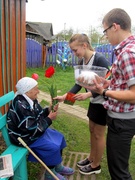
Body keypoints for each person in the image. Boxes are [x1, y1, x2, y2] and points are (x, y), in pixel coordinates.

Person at [78, 8, 135, 180]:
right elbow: (125, 82)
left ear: (115, 26)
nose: (105, 36)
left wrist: (103, 91)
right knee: (116, 168)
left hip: (122, 121)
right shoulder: (125, 50)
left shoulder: (127, 53)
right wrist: (108, 82)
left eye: (105, 31)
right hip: (119, 118)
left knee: (119, 173)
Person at [54, 34, 110, 175]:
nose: (74, 53)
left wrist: (88, 94)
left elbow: (106, 83)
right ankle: (91, 158)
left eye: (75, 50)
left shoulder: (99, 59)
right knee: (91, 130)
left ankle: (96, 165)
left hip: (102, 102)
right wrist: (65, 97)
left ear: (84, 46)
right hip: (93, 102)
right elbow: (79, 84)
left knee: (99, 134)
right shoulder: (83, 61)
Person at [7, 77, 74, 180]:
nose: (38, 91)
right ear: (28, 90)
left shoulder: (30, 99)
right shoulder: (21, 105)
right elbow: (31, 128)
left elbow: (37, 115)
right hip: (24, 138)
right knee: (53, 147)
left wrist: (48, 110)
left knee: (59, 137)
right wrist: (49, 119)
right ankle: (49, 174)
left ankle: (58, 167)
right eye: (36, 89)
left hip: (32, 132)